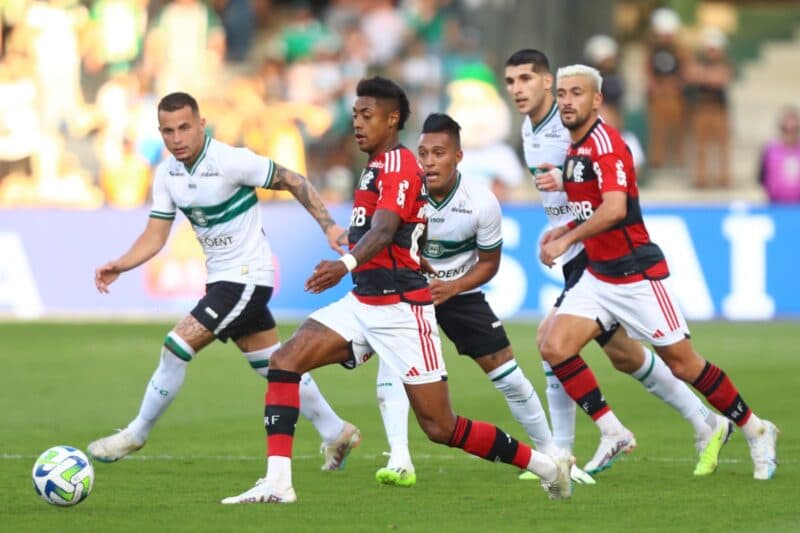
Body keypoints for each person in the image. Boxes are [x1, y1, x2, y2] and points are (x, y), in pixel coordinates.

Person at [222, 76, 574, 505]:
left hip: (403, 311)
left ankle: (543, 465)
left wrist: (345, 263)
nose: (357, 123)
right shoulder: (375, 168)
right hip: (363, 302)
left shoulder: (401, 165)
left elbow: (387, 228)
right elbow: (406, 235)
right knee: (285, 361)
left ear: (391, 120)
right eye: (354, 115)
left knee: (440, 427)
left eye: (366, 115)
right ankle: (278, 482)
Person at [88, 92, 362, 472]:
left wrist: (329, 225)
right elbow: (155, 236)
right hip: (222, 280)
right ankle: (336, 430)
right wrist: (121, 264)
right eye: (168, 131)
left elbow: (293, 179)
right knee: (276, 364)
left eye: (184, 127)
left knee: (175, 348)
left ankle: (136, 433)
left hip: (247, 278)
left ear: (201, 125)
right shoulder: (167, 174)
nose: (177, 137)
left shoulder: (231, 161)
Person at [539, 64, 778, 481]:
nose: (567, 101)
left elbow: (614, 209)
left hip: (636, 275)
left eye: (576, 93)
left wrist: (566, 239)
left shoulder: (606, 144)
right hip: (599, 275)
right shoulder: (575, 149)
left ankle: (755, 428)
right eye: (561, 94)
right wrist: (564, 230)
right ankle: (612, 430)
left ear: (597, 100)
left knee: (684, 364)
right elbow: (592, 207)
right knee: (555, 346)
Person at [504, 48, 732, 476]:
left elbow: (621, 168)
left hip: (595, 251)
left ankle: (563, 453)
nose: (518, 89)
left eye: (526, 80)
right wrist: (561, 219)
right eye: (511, 82)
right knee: (623, 355)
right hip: (573, 247)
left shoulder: (571, 121)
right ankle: (706, 421)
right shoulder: (528, 127)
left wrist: (571, 200)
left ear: (548, 82)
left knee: (553, 343)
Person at [371, 112, 594, 487]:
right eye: (422, 153)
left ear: (458, 157)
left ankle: (553, 457)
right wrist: (422, 275)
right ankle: (400, 459)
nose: (428, 162)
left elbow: (489, 264)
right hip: (408, 288)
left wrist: (451, 286)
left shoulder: (480, 202)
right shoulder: (403, 194)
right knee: (394, 361)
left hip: (460, 292)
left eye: (438, 153)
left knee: (508, 374)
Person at [759, 106, 800, 203]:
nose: (790, 133)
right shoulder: (770, 150)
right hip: (776, 205)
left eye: (794, 129)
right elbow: (761, 177)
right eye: (786, 129)